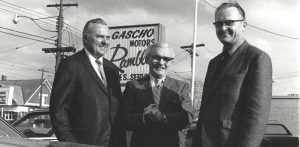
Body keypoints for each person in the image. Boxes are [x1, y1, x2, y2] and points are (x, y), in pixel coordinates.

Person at [192, 2, 272, 147]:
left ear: (243, 25)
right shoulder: (213, 63)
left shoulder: (257, 58)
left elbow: (256, 119)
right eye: (218, 24)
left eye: (229, 23)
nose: (223, 28)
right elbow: (204, 111)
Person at [49, 18, 126, 147]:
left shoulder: (112, 69)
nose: (105, 42)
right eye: (99, 37)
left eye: (108, 37)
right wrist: (71, 144)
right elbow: (58, 111)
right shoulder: (71, 65)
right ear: (85, 39)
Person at [122, 42, 194, 147]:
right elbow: (124, 118)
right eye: (156, 57)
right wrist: (144, 117)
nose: (161, 62)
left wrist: (163, 117)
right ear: (147, 59)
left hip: (173, 143)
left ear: (171, 62)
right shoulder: (133, 86)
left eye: (166, 59)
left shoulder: (181, 86)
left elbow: (188, 117)